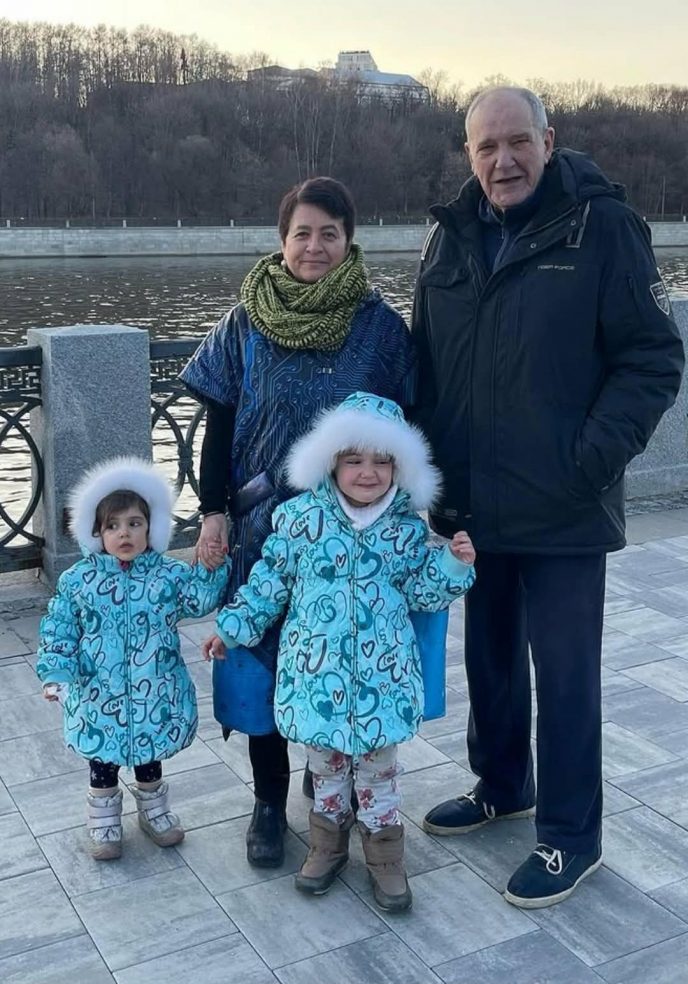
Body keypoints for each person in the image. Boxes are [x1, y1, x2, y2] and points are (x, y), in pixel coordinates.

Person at [412, 86, 684, 909]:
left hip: (564, 502)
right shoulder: (450, 236)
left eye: (518, 142)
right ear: (469, 154)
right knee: (490, 659)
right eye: (486, 147)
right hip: (473, 502)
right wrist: (426, 475)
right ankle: (502, 786)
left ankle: (571, 837)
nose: (504, 161)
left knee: (564, 676)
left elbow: (652, 358)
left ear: (548, 139)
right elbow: (425, 361)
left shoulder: (603, 228)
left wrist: (588, 460)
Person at [181, 177, 416, 868]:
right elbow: (217, 424)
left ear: (350, 241)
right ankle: (267, 800)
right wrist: (214, 514)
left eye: (329, 234)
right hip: (261, 531)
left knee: (337, 658)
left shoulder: (380, 328)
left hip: (349, 534)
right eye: (302, 233)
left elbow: (408, 429)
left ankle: (330, 788)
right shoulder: (244, 322)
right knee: (258, 663)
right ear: (282, 240)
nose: (315, 246)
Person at [204, 392, 476, 910]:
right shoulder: (300, 521)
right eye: (354, 460)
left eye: (381, 461)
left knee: (379, 773)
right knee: (326, 768)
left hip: (382, 680)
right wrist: (232, 627)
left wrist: (452, 566)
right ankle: (327, 844)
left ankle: (385, 855)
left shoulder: (405, 531)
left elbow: (423, 592)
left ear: (400, 468)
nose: (367, 473)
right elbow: (269, 585)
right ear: (330, 463)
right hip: (316, 678)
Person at [37, 457, 228, 860]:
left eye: (134, 523)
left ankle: (154, 811)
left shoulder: (167, 576)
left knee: (148, 754)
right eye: (113, 526)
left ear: (151, 528)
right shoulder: (80, 581)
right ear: (96, 532)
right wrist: (57, 672)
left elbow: (198, 600)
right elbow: (60, 627)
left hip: (153, 688)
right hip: (98, 691)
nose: (124, 533)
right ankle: (104, 821)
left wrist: (212, 566)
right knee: (102, 760)